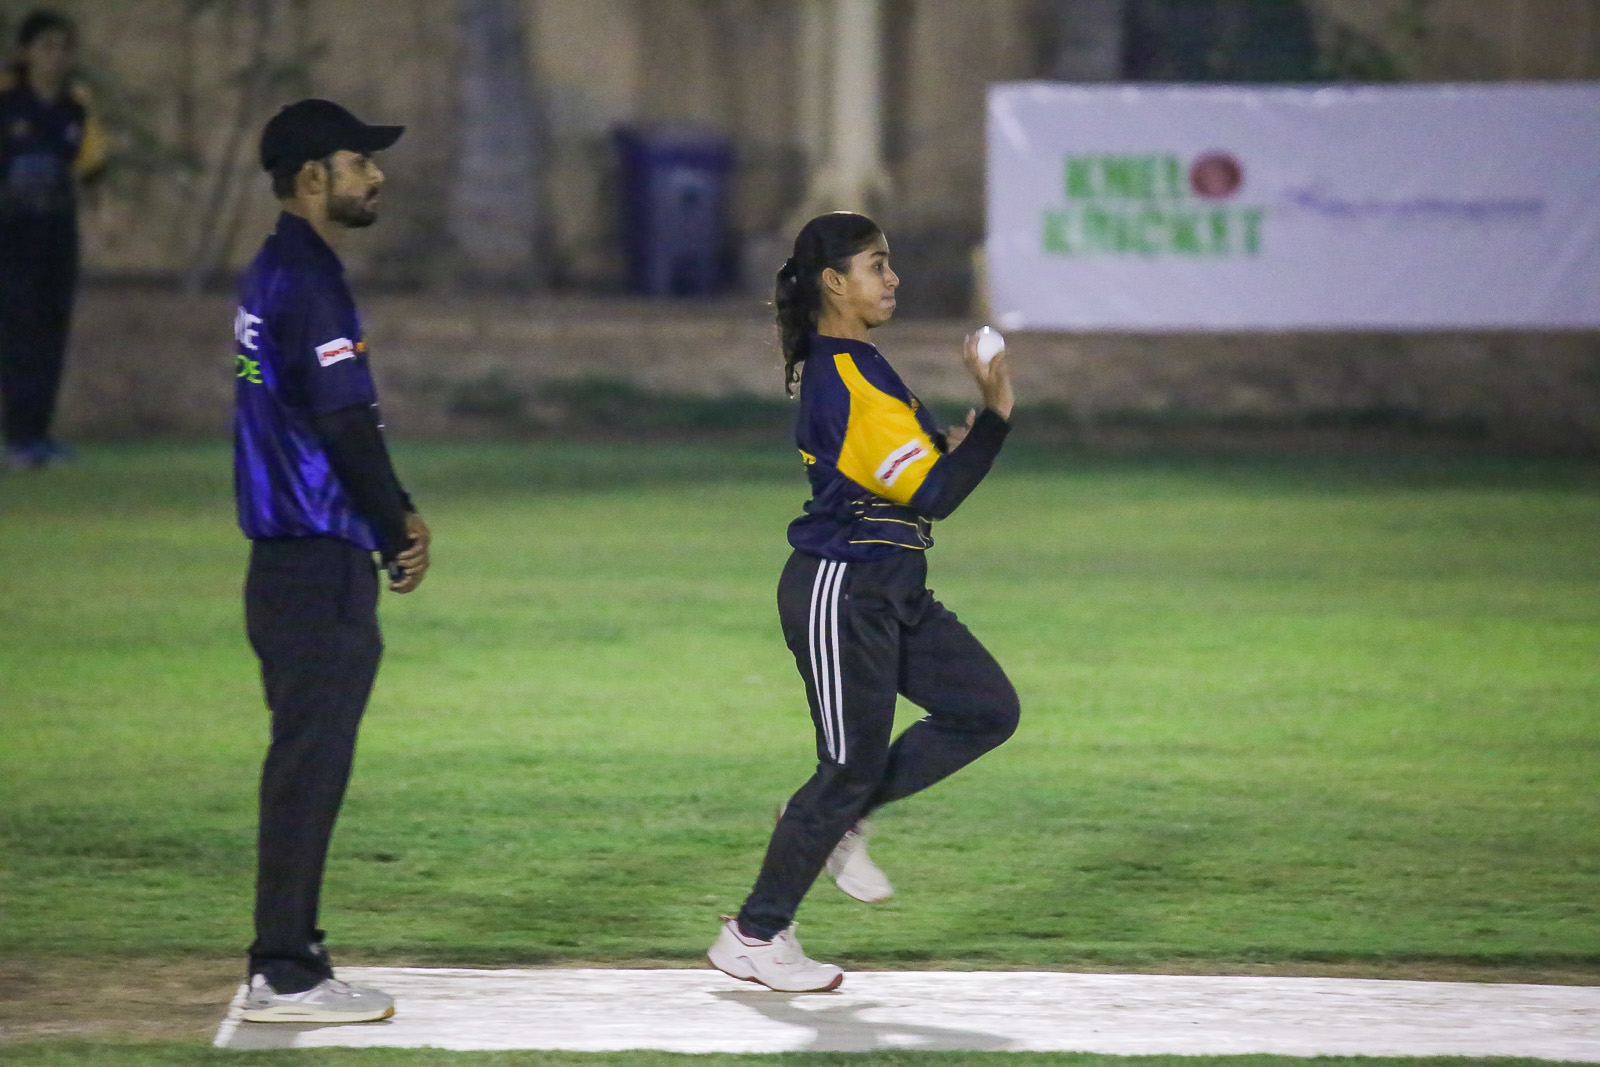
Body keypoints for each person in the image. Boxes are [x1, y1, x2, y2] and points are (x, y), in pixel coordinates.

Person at [707, 212, 1020, 992]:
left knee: (985, 708)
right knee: (846, 767)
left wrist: (947, 447)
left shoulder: (862, 364)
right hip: (841, 586)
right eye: (876, 265)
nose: (892, 278)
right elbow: (935, 494)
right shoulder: (844, 373)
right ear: (833, 282)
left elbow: (909, 475)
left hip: (889, 585)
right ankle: (755, 933)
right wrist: (996, 415)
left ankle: (835, 818)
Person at [234, 98, 430, 1024]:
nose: (376, 176)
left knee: (303, 763)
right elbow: (345, 421)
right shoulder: (309, 281)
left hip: (286, 562)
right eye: (360, 162)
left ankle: (292, 956)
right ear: (313, 177)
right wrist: (397, 524)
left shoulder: (275, 266)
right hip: (316, 559)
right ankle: (283, 970)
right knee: (309, 768)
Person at [0, 9, 105, 470]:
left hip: (56, 234)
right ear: (25, 52)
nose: (55, 57)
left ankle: (39, 435)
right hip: (11, 234)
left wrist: (103, 219)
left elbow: (93, 168)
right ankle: (18, 437)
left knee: (50, 333)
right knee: (17, 333)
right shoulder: (7, 101)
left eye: (63, 47)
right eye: (46, 46)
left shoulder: (75, 106)